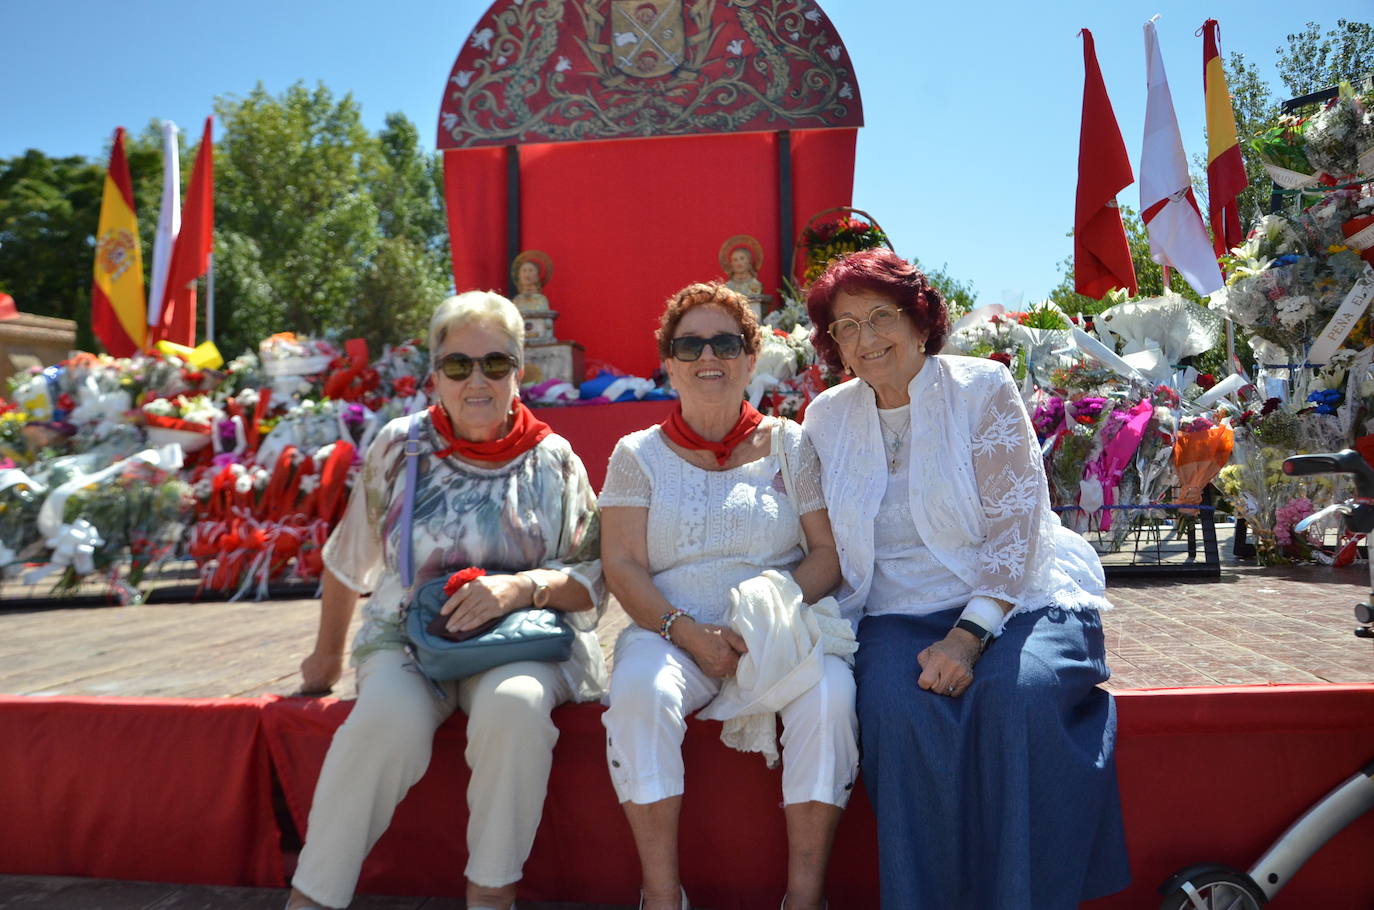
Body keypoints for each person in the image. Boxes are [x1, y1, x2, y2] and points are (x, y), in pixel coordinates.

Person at [802, 249, 1130, 909]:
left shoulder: (981, 388)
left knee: (1019, 702)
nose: (866, 340)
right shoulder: (826, 419)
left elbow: (1018, 526)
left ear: (921, 323)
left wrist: (968, 637)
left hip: (1018, 598)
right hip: (894, 608)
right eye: (846, 326)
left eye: (880, 318)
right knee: (896, 715)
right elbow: (814, 534)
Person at [286, 291, 605, 910]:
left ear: (521, 370)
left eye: (496, 363)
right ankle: (313, 898)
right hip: (409, 637)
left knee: (514, 708)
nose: (477, 380)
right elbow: (347, 561)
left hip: (520, 643)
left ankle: (491, 894)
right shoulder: (399, 447)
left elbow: (590, 579)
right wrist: (323, 665)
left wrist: (520, 587)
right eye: (459, 365)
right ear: (435, 373)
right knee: (382, 725)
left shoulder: (554, 459)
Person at [598, 282, 857, 910]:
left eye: (725, 342)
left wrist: (765, 613)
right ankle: (661, 896)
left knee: (831, 696)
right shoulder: (637, 454)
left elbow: (827, 555)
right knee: (639, 694)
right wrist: (689, 633)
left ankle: (805, 897)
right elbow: (623, 565)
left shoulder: (791, 444)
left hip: (782, 626)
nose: (706, 355)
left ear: (750, 357)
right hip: (671, 631)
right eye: (690, 344)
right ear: (668, 363)